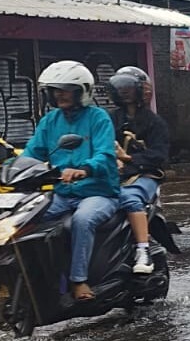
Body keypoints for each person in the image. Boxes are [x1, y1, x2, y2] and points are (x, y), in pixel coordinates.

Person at [24, 61, 120, 302]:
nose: (60, 94)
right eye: (55, 89)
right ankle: (33, 277)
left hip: (98, 192)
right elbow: (31, 154)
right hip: (62, 193)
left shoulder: (98, 118)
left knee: (83, 219)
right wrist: (7, 170)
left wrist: (85, 169)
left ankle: (79, 280)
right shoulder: (49, 121)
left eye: (66, 89)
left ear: (82, 91)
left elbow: (105, 154)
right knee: (24, 217)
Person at [108, 66, 169, 276]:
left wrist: (129, 159)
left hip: (144, 174)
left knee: (129, 198)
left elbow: (159, 155)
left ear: (142, 90)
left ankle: (143, 249)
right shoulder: (110, 119)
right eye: (119, 87)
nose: (124, 91)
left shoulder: (155, 122)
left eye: (128, 87)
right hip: (112, 174)